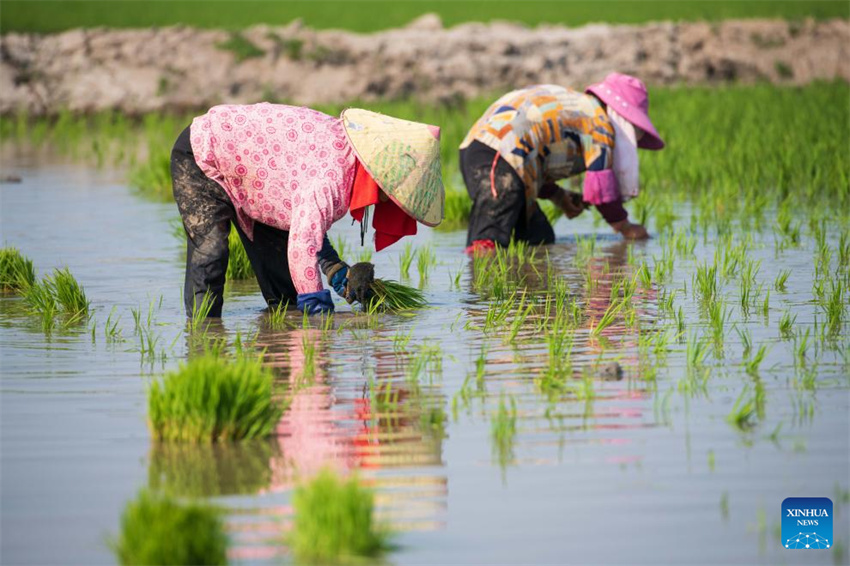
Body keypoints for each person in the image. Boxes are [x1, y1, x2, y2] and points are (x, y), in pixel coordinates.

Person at [171, 104, 444, 317]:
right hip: (205, 150)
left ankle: (279, 358)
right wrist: (319, 314)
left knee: (285, 296)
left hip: (261, 182)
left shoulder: (347, 162)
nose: (389, 201)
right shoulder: (333, 177)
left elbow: (306, 225)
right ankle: (203, 340)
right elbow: (303, 243)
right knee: (211, 253)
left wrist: (337, 272)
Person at [459, 73, 665, 253]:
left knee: (538, 238)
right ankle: (481, 296)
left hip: (488, 154)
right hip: (499, 155)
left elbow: (536, 155)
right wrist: (625, 227)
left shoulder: (578, 107)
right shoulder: (599, 121)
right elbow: (601, 188)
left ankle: (523, 292)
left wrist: (559, 196)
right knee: (487, 242)